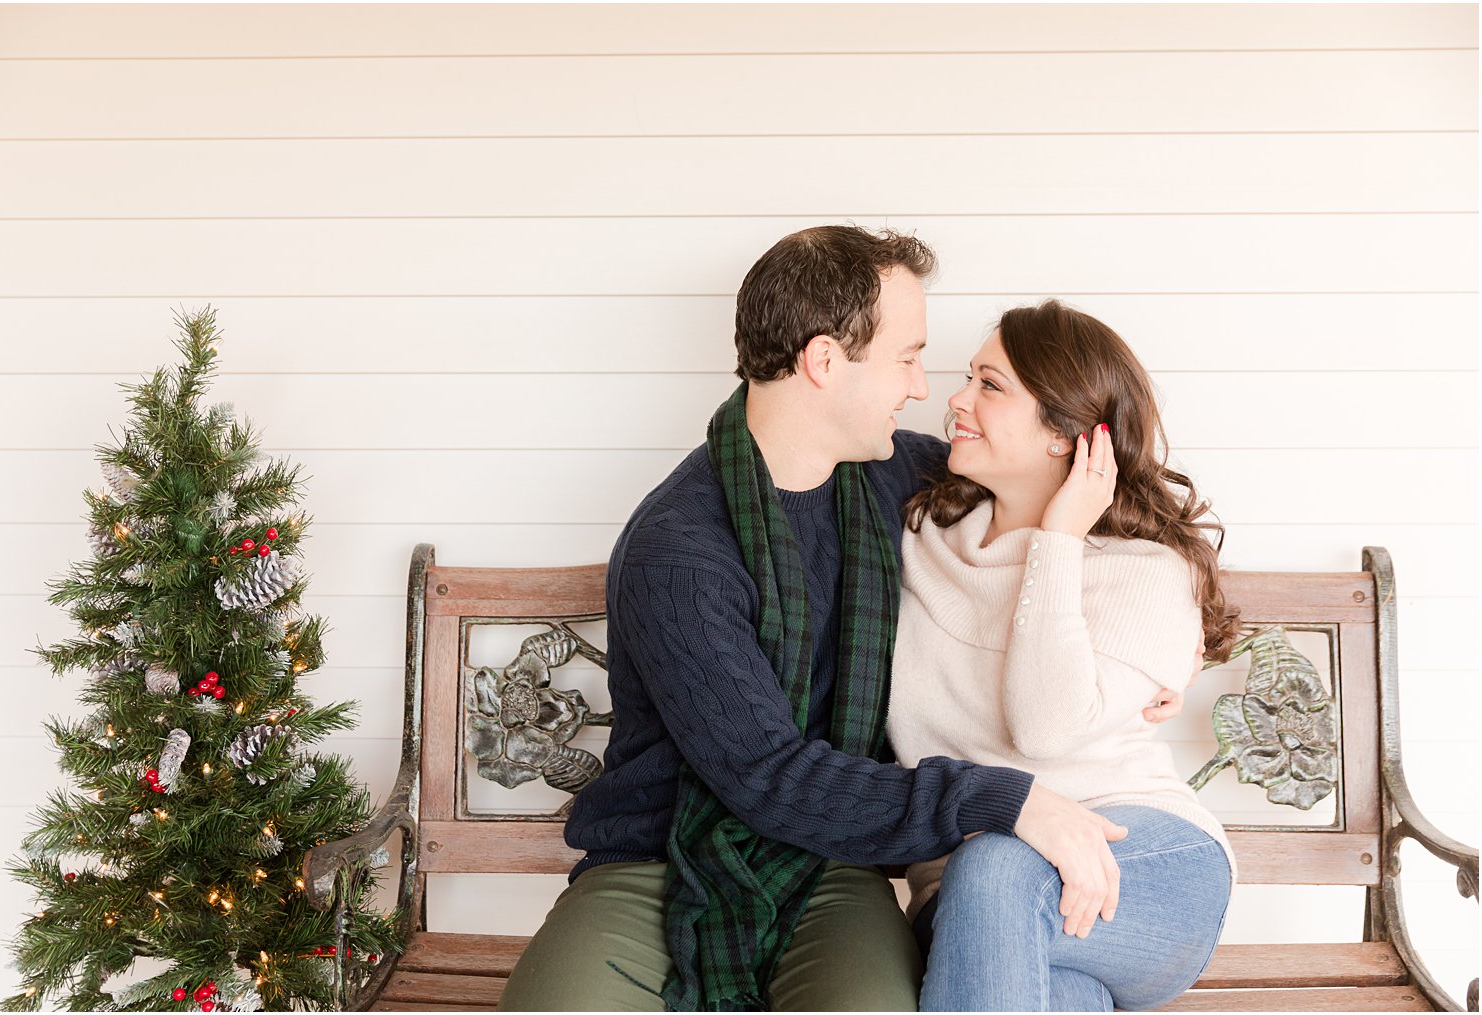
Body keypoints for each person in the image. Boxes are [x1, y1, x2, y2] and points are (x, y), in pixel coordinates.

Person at [498, 227, 1186, 1012]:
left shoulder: (901, 477)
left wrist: (1181, 636)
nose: (923, 387)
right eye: (906, 356)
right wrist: (1000, 798)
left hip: (832, 867)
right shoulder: (679, 549)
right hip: (655, 862)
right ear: (824, 361)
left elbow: (1074, 486)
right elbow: (767, 774)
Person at [889, 300, 1239, 1011]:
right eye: (969, 378)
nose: (954, 399)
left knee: (997, 869)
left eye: (990, 385)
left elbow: (1045, 727)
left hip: (1142, 858)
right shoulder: (923, 535)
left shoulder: (1144, 569)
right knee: (1058, 991)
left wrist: (1059, 540)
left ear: (1065, 434)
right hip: (964, 891)